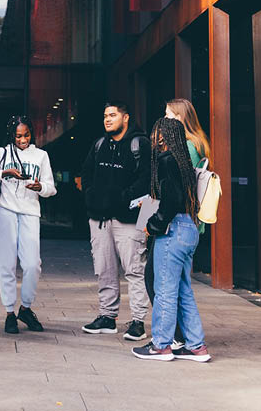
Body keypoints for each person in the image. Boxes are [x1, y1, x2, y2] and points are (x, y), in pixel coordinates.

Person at [132, 117, 211, 362]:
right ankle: (196, 346)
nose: (153, 138)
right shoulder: (185, 162)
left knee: (164, 290)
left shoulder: (167, 161)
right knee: (184, 291)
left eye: (156, 134)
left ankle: (161, 345)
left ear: (163, 137)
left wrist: (153, 224)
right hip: (189, 229)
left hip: (173, 230)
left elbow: (170, 201)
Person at [0, 116, 56, 334]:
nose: (23, 139)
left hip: (30, 212)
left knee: (32, 264)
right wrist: (3, 172)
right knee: (6, 263)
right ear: (12, 135)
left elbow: (51, 187)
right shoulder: (2, 153)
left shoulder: (41, 155)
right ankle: (9, 312)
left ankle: (25, 308)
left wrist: (40, 187)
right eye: (18, 136)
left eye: (26, 135)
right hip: (4, 211)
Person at [80, 102, 151, 341]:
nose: (107, 119)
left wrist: (121, 198)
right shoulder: (100, 145)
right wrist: (91, 195)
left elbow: (147, 179)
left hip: (129, 219)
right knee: (104, 269)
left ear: (126, 117)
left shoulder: (139, 144)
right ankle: (107, 317)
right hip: (99, 217)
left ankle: (138, 321)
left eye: (113, 115)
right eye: (105, 115)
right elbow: (87, 172)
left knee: (134, 269)